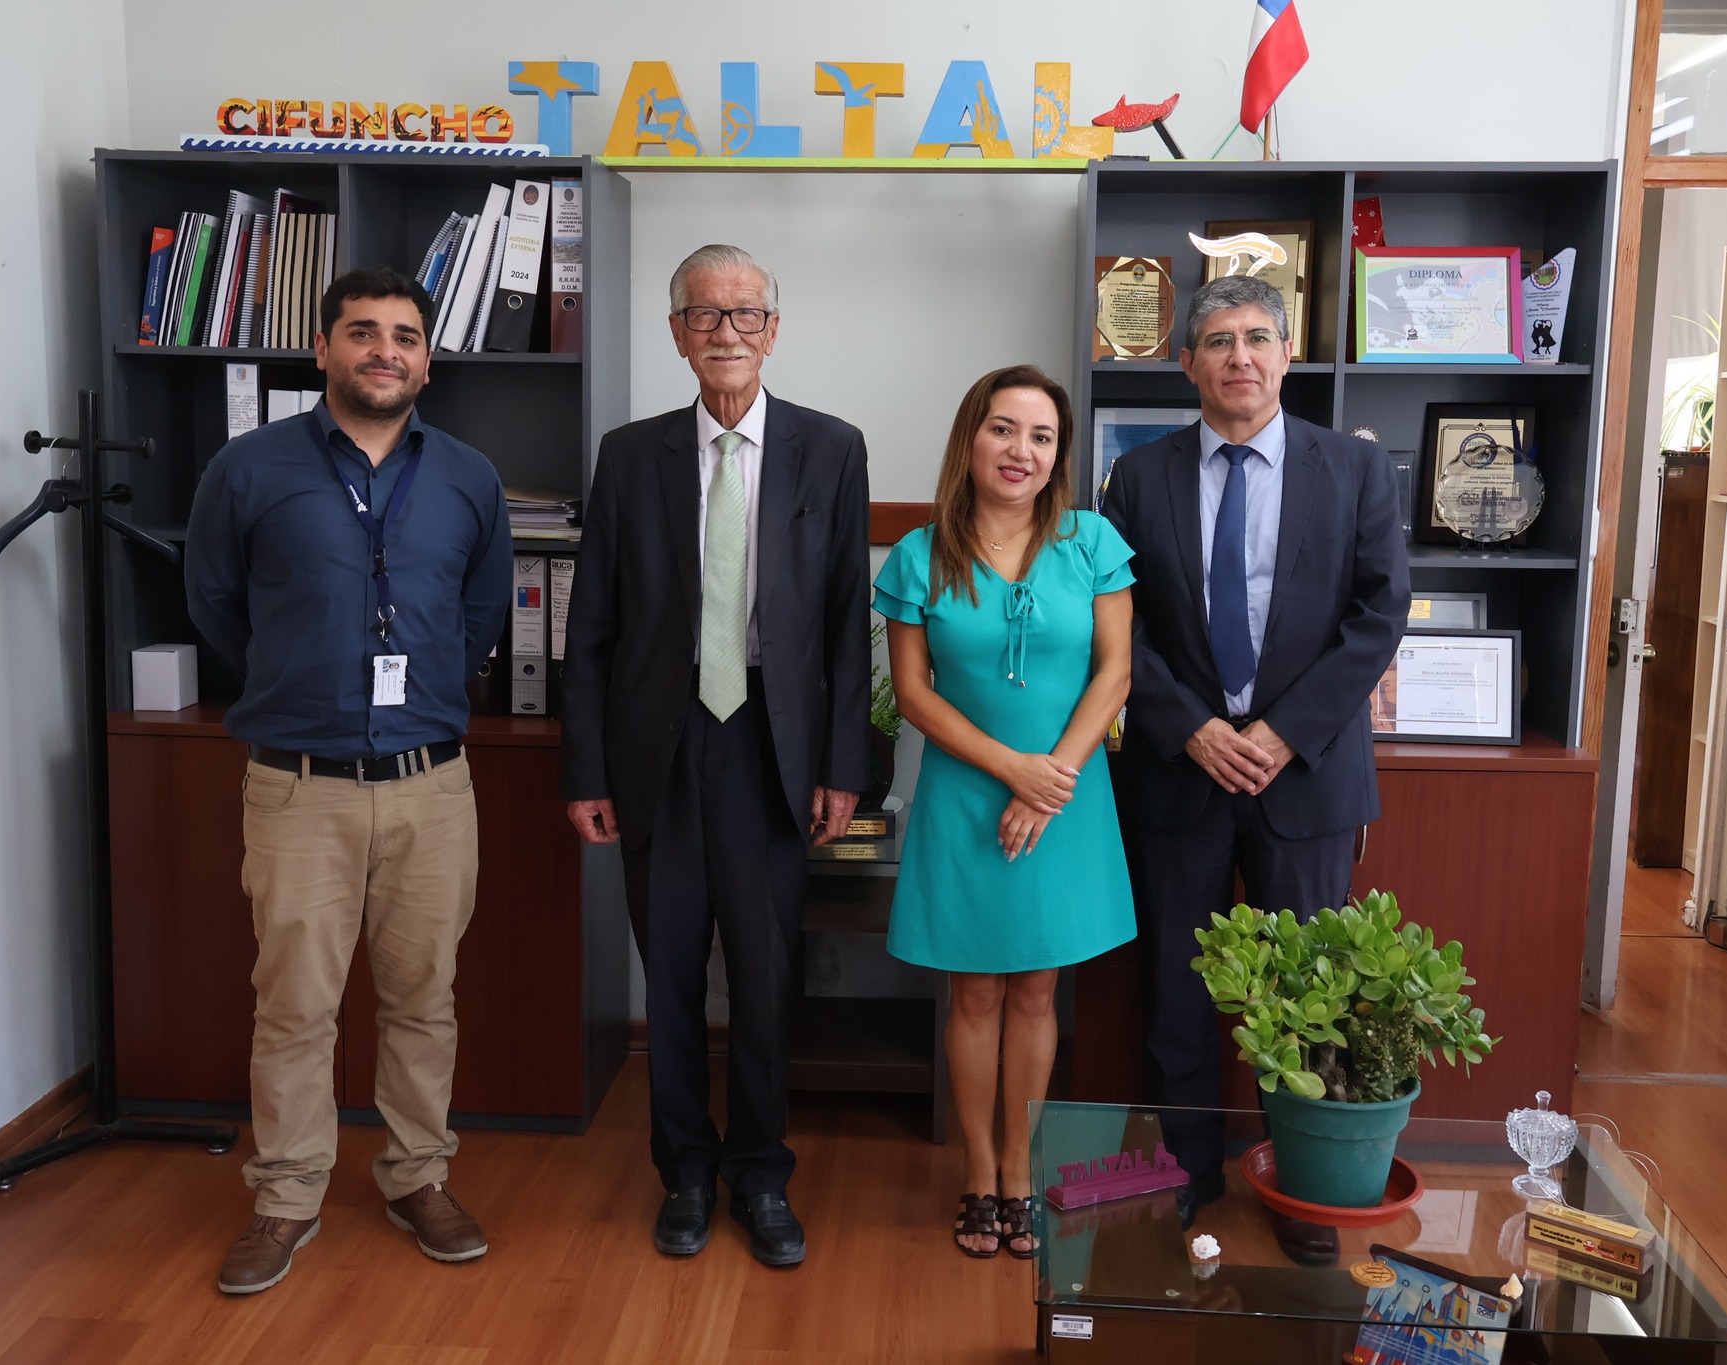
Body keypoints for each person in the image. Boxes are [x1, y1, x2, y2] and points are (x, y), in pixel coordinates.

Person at [185, 265, 512, 1294]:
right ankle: (285, 1196)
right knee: (293, 1005)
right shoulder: (246, 470)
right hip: (298, 784)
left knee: (424, 998)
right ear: (322, 348)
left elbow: (480, 616)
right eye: (362, 332)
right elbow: (215, 603)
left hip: (431, 784)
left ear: (428, 358)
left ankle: (416, 1176)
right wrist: (303, 684)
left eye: (404, 336)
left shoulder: (467, 476)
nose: (384, 351)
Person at [561, 244, 870, 1269]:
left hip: (773, 751)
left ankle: (762, 1175)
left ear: (773, 330)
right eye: (704, 315)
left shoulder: (830, 449)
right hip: (658, 749)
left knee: (767, 973)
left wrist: (843, 767)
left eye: (745, 315)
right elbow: (591, 628)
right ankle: (685, 1172)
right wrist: (586, 773)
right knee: (675, 972)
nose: (726, 332)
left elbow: (843, 620)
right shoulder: (629, 452)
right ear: (676, 333)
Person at [1099, 275, 1409, 1262]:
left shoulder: (1352, 471)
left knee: (1307, 996)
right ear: (1185, 362)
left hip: (1305, 775)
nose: (1238, 356)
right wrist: (1188, 726)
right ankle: (1181, 1176)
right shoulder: (1135, 478)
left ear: (1285, 356)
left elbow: (1378, 613)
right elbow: (1120, 626)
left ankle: (1308, 1191)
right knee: (1176, 997)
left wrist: (1282, 732)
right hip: (1178, 772)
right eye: (1218, 340)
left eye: (1257, 338)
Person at [874, 365, 1137, 1260]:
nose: (1020, 451)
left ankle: (1022, 1174)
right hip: (965, 796)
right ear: (970, 440)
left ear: (1059, 453)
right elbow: (913, 693)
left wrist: (1051, 778)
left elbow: (1116, 672)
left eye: (1041, 436)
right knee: (975, 988)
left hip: (1066, 798)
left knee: (1036, 987)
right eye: (1002, 430)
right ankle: (978, 1174)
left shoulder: (1093, 541)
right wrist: (1012, 772)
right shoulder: (919, 554)